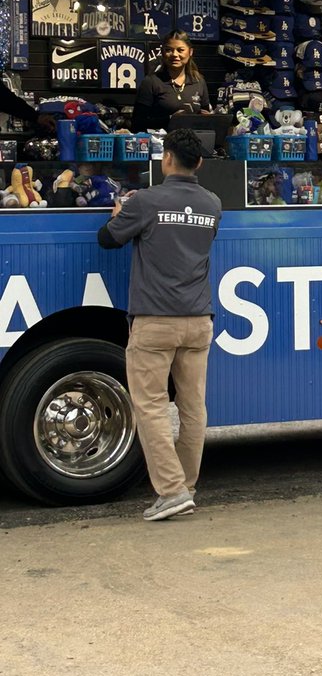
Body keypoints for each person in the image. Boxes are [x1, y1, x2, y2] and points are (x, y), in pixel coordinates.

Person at [97, 128, 222, 521]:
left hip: (155, 321)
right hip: (199, 320)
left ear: (166, 159)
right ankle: (185, 486)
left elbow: (107, 239)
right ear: (199, 162)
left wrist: (119, 214)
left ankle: (170, 491)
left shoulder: (146, 202)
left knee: (150, 407)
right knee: (193, 408)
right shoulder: (213, 204)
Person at [131, 31, 211, 132]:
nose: (174, 54)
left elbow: (206, 117)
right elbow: (137, 123)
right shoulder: (151, 82)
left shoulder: (199, 81)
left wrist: (210, 119)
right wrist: (170, 119)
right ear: (162, 52)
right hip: (161, 145)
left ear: (190, 52)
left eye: (180, 50)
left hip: (193, 144)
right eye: (168, 50)